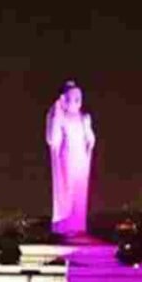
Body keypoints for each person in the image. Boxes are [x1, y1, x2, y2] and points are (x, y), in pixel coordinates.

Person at [45, 80, 96, 236]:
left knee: (79, 196)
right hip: (66, 157)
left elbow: (91, 139)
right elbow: (52, 139)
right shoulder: (60, 116)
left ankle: (78, 226)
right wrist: (56, 115)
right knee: (66, 192)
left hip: (80, 158)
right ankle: (64, 225)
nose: (77, 101)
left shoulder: (83, 118)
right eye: (72, 97)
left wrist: (89, 134)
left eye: (79, 97)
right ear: (64, 99)